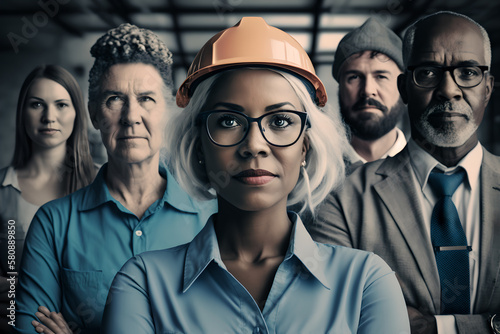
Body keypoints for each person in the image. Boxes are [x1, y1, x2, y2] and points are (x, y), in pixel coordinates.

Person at [101, 17, 410, 334]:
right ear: (198, 145)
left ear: (305, 146)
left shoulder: (367, 282)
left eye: (279, 121)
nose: (254, 146)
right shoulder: (142, 284)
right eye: (228, 121)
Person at [14, 24, 216, 334]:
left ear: (169, 111)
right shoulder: (53, 224)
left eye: (146, 99)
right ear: (94, 113)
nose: (131, 116)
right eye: (114, 99)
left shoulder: (213, 220)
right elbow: (28, 329)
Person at [308, 11, 499, 334]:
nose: (449, 90)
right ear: (406, 87)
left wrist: (438, 326)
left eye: (468, 72)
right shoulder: (335, 196)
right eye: (427, 72)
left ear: (488, 87)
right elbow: (338, 313)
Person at [0, 64, 96, 332]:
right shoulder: (2, 189)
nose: (49, 116)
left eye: (62, 105)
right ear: (22, 113)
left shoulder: (106, 184)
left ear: (78, 113)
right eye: (37, 105)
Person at [333, 17, 407, 169]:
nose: (368, 90)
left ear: (403, 87)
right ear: (340, 88)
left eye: (381, 77)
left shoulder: (430, 171)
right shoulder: (313, 174)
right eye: (354, 77)